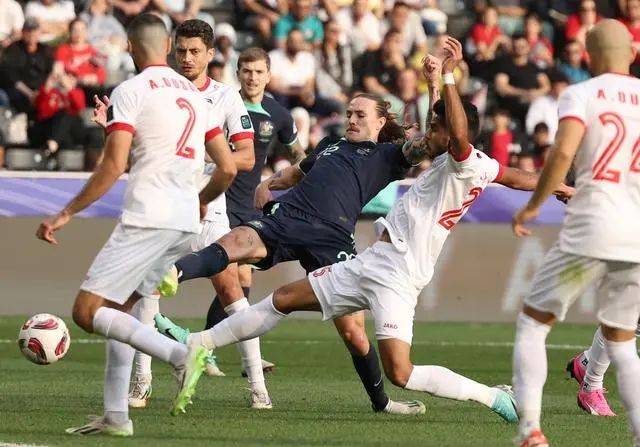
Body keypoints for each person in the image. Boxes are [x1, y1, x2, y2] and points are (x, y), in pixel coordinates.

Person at [155, 39, 573, 424]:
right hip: (373, 261)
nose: (430, 132)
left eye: (437, 127)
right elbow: (516, 175)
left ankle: (494, 398)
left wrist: (448, 75)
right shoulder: (476, 162)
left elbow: (456, 133)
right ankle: (199, 345)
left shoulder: (463, 160)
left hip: (399, 274)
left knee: (401, 373)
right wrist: (558, 186)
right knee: (282, 298)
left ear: (454, 133)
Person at [156, 68, 452, 416]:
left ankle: (382, 402)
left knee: (354, 333)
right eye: (349, 113)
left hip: (332, 238)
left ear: (380, 121)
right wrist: (268, 183)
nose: (351, 120)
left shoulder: (388, 155)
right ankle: (172, 274)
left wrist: (434, 86)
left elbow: (433, 141)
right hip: (289, 217)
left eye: (360, 115)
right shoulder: (330, 145)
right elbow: (297, 172)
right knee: (237, 241)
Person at [36, 13, 237, 435]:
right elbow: (228, 167)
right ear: (167, 47)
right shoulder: (196, 95)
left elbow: (113, 166)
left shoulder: (130, 90)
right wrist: (201, 201)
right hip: (183, 220)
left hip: (148, 217)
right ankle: (116, 416)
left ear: (129, 47)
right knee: (119, 310)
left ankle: (181, 354)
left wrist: (65, 212)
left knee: (87, 312)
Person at [91, 19, 267, 409]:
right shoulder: (157, 90)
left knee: (231, 292)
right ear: (172, 50)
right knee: (146, 294)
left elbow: (246, 156)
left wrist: (197, 154)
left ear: (210, 54)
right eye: (182, 51)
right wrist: (110, 129)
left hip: (209, 209)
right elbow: (132, 154)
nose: (187, 58)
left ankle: (258, 387)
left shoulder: (225, 97)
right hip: (164, 205)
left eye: (195, 52)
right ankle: (142, 383)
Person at [511, 19, 640, 447]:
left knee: (534, 324)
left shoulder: (581, 93)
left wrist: (533, 205)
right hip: (634, 237)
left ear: (587, 55)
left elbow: (563, 151)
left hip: (590, 231)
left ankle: (531, 431)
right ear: (633, 53)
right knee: (624, 342)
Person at [198, 47, 306, 366]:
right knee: (233, 280)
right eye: (247, 71)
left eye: (259, 72)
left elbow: (298, 154)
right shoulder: (224, 104)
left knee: (240, 283)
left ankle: (217, 354)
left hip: (249, 205)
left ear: (269, 75)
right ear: (238, 74)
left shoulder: (279, 114)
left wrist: (309, 175)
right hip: (219, 199)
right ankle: (218, 355)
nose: (252, 77)